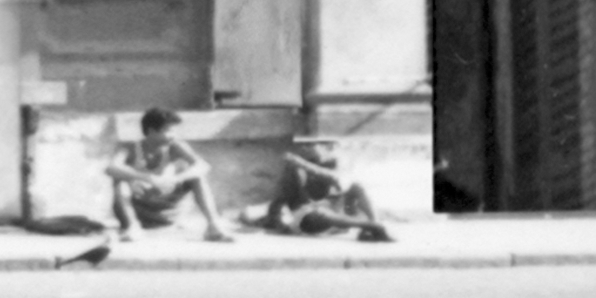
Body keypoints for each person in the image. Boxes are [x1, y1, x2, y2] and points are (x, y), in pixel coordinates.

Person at [108, 107, 233, 242]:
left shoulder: (175, 146)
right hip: (140, 212)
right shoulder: (131, 148)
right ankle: (133, 227)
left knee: (197, 177)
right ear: (151, 131)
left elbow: (202, 166)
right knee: (120, 182)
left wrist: (174, 179)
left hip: (169, 212)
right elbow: (111, 168)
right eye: (168, 131)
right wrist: (147, 178)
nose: (173, 135)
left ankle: (213, 225)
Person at [256, 137, 394, 241]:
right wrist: (274, 220)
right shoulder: (294, 170)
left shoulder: (331, 163)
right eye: (307, 145)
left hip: (338, 215)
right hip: (310, 219)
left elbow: (335, 180)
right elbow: (281, 197)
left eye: (319, 144)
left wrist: (302, 163)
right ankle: (371, 226)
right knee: (320, 213)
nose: (309, 148)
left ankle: (373, 225)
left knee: (357, 187)